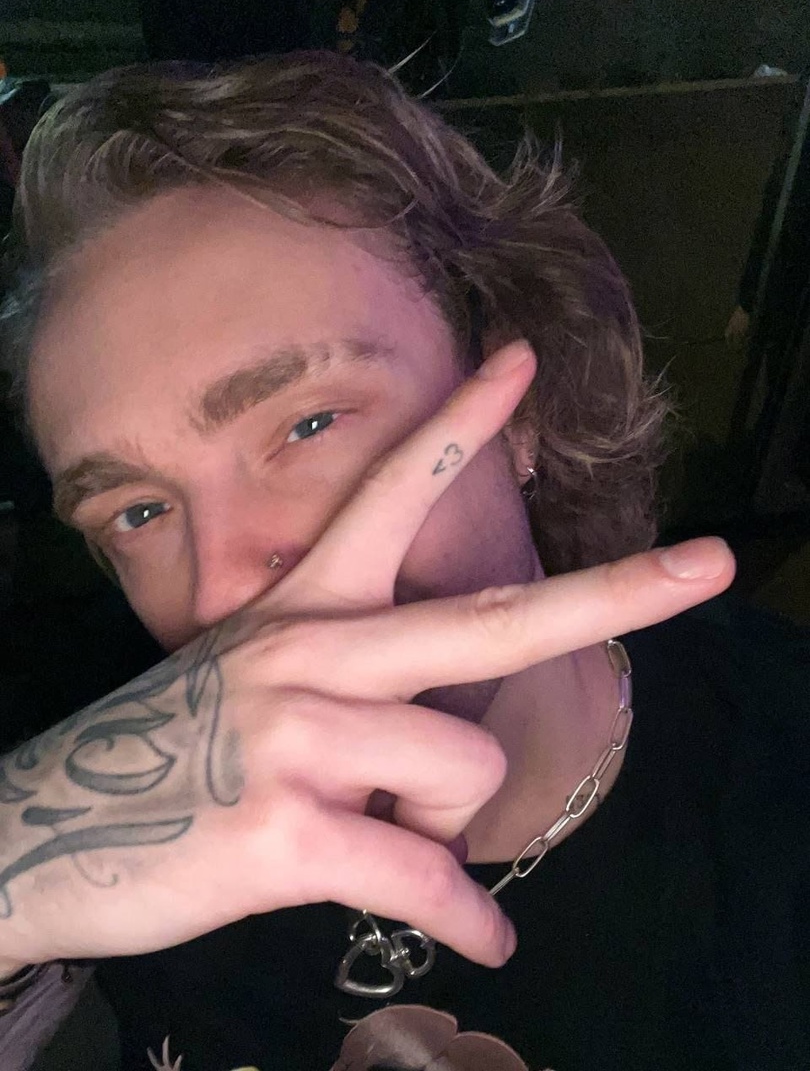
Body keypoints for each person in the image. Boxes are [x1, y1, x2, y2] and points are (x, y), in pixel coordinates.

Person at [0, 52, 806, 1071]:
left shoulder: (776, 787)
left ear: (522, 407)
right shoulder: (87, 746)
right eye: (141, 509)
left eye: (309, 423)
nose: (223, 593)